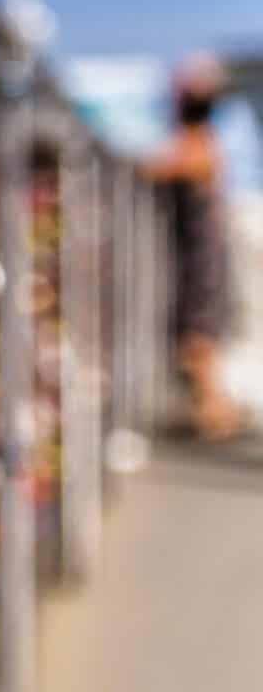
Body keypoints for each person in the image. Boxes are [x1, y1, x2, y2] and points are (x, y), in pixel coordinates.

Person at [148, 55, 243, 440]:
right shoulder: (201, 141)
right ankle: (214, 413)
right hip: (200, 255)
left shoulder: (194, 143)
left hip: (201, 258)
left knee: (198, 337)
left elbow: (156, 169)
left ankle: (216, 415)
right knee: (199, 338)